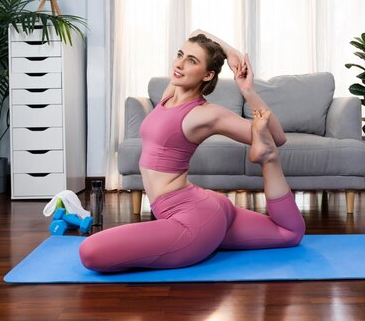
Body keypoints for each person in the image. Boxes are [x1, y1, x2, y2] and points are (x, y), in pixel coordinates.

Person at [79, 30, 305, 272]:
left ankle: (268, 158)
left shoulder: (205, 114)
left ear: (208, 75)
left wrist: (248, 91)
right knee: (288, 234)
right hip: (204, 204)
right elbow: (197, 33)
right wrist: (230, 52)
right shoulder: (170, 95)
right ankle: (267, 157)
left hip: (193, 222)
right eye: (180, 55)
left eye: (192, 61)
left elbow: (278, 137)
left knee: (89, 252)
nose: (180, 64)